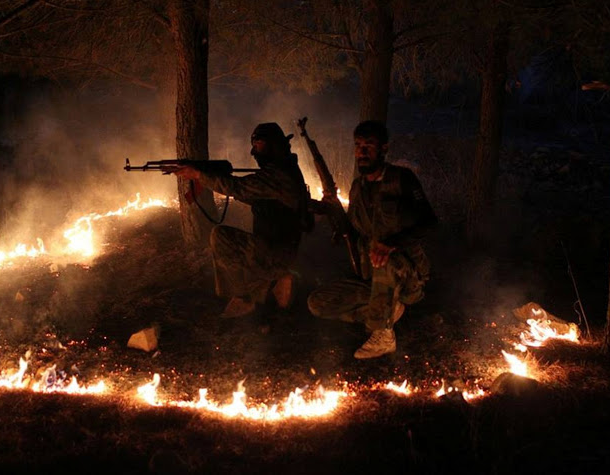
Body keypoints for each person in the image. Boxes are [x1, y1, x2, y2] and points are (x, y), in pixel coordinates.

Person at [307, 120, 436, 359]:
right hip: (372, 277)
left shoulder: (401, 179)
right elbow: (353, 231)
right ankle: (383, 312)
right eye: (358, 146)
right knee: (318, 303)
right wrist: (332, 208)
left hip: (405, 274)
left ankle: (383, 335)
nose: (362, 152)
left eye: (369, 146)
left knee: (384, 258)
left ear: (384, 149)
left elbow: (429, 223)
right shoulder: (357, 188)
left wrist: (392, 243)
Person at [174, 122, 312, 318]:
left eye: (258, 145)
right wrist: (216, 178)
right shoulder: (284, 169)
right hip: (279, 247)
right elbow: (249, 193)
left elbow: (239, 188)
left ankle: (244, 297)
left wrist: (199, 175)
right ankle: (274, 283)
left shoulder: (278, 175)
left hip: (277, 251)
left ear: (273, 145)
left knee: (220, 237)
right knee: (242, 254)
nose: (253, 151)